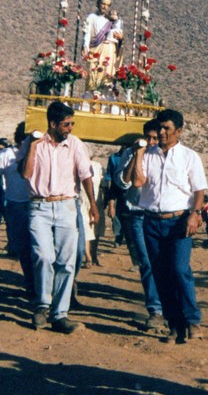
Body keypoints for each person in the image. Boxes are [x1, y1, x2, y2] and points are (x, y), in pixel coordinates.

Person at [124, 108, 207, 343]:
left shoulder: (189, 157)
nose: (161, 132)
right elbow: (137, 181)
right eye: (159, 127)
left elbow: (199, 190)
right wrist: (138, 153)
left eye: (166, 128)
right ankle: (174, 325)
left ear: (178, 131)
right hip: (151, 221)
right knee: (160, 274)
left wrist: (195, 214)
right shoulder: (148, 154)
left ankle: (192, 320)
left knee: (180, 270)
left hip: (179, 221)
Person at [19, 101, 99, 334]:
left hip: (67, 206)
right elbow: (25, 173)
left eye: (72, 123)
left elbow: (85, 175)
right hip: (39, 207)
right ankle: (43, 304)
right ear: (52, 124)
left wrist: (93, 204)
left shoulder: (75, 145)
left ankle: (60, 313)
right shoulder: (32, 144)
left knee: (66, 261)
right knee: (43, 256)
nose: (70, 128)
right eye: (66, 124)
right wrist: (34, 146)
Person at [115, 119, 165, 331]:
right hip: (136, 214)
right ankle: (156, 309)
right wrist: (136, 155)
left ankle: (169, 304)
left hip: (159, 215)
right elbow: (122, 182)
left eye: (155, 138)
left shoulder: (164, 158)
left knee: (166, 263)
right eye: (148, 138)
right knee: (147, 262)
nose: (152, 141)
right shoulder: (130, 154)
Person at [0, 122, 34, 296]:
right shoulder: (7, 155)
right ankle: (30, 282)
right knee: (23, 247)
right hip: (16, 206)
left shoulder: (37, 153)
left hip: (36, 205)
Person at [82, 0, 123, 89]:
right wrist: (85, 46)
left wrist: (121, 38)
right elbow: (87, 33)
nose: (105, 7)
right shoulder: (92, 17)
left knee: (107, 73)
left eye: (107, 5)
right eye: (103, 4)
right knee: (93, 73)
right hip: (95, 50)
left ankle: (106, 93)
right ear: (98, 4)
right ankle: (91, 93)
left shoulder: (112, 20)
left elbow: (119, 37)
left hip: (109, 50)